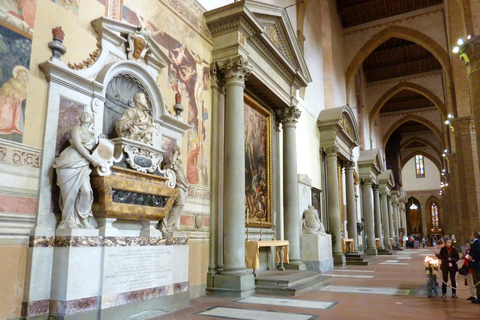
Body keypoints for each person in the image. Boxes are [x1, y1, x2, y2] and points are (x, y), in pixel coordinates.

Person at [54, 112, 100, 229]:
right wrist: (92, 160)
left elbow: (96, 151)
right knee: (70, 192)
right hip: (71, 159)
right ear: (80, 118)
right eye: (83, 114)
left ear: (92, 120)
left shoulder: (92, 135)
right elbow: (79, 146)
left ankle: (83, 219)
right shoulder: (76, 129)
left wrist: (102, 142)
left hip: (84, 163)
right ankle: (69, 220)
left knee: (86, 191)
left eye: (88, 115)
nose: (85, 115)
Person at [159, 145, 189, 235]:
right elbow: (172, 161)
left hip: (184, 185)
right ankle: (168, 225)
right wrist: (175, 151)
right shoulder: (173, 160)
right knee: (180, 203)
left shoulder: (179, 163)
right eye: (178, 150)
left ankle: (172, 226)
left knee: (180, 206)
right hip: (178, 185)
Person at [0, 66, 29, 135]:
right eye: (24, 76)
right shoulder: (14, 83)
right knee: (4, 118)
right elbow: (14, 95)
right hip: (7, 103)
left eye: (26, 76)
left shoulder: (26, 86)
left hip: (13, 105)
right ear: (19, 76)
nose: (26, 78)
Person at [467, 231, 480, 303]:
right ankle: (478, 297)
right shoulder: (475, 242)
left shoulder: (478, 242)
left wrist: (473, 257)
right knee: (476, 282)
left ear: (475, 235)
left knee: (478, 281)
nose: (470, 235)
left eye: (471, 234)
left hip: (476, 264)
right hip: (474, 265)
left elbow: (478, 252)